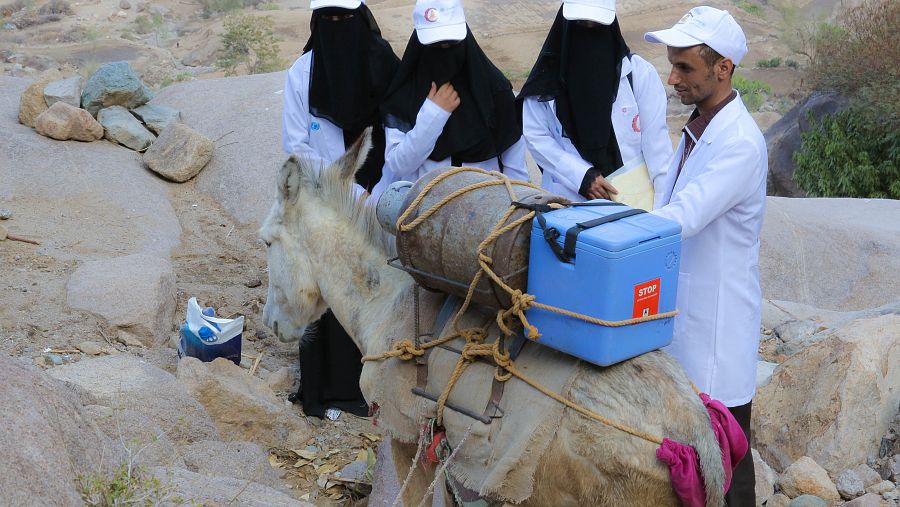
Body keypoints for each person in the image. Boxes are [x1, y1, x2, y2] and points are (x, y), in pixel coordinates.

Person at [644, 7, 767, 504]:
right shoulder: (699, 127)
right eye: (671, 65)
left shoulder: (739, 143)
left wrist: (607, 227)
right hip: (686, 314)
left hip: (717, 324)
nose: (672, 78)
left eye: (685, 68)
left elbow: (684, 215)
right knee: (690, 453)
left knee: (727, 454)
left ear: (724, 68)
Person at [281, 0, 400, 418]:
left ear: (360, 17)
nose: (336, 25)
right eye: (327, 19)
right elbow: (297, 146)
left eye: (344, 18)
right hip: (326, 197)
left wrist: (374, 191)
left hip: (379, 195)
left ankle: (378, 389)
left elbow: (396, 131)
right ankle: (328, 392)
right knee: (327, 290)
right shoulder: (303, 73)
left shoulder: (383, 62)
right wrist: (343, 190)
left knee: (374, 287)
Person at [519, 0, 672, 207]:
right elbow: (536, 136)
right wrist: (581, 176)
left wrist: (663, 215)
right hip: (568, 206)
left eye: (597, 27)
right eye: (581, 24)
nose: (589, 35)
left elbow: (658, 150)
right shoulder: (546, 81)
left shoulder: (639, 75)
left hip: (633, 205)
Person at [373, 0, 529, 197]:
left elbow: (516, 170)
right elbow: (399, 164)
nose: (444, 54)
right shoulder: (405, 93)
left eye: (452, 45)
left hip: (486, 212)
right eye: (435, 46)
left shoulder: (494, 90)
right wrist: (434, 114)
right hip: (422, 211)